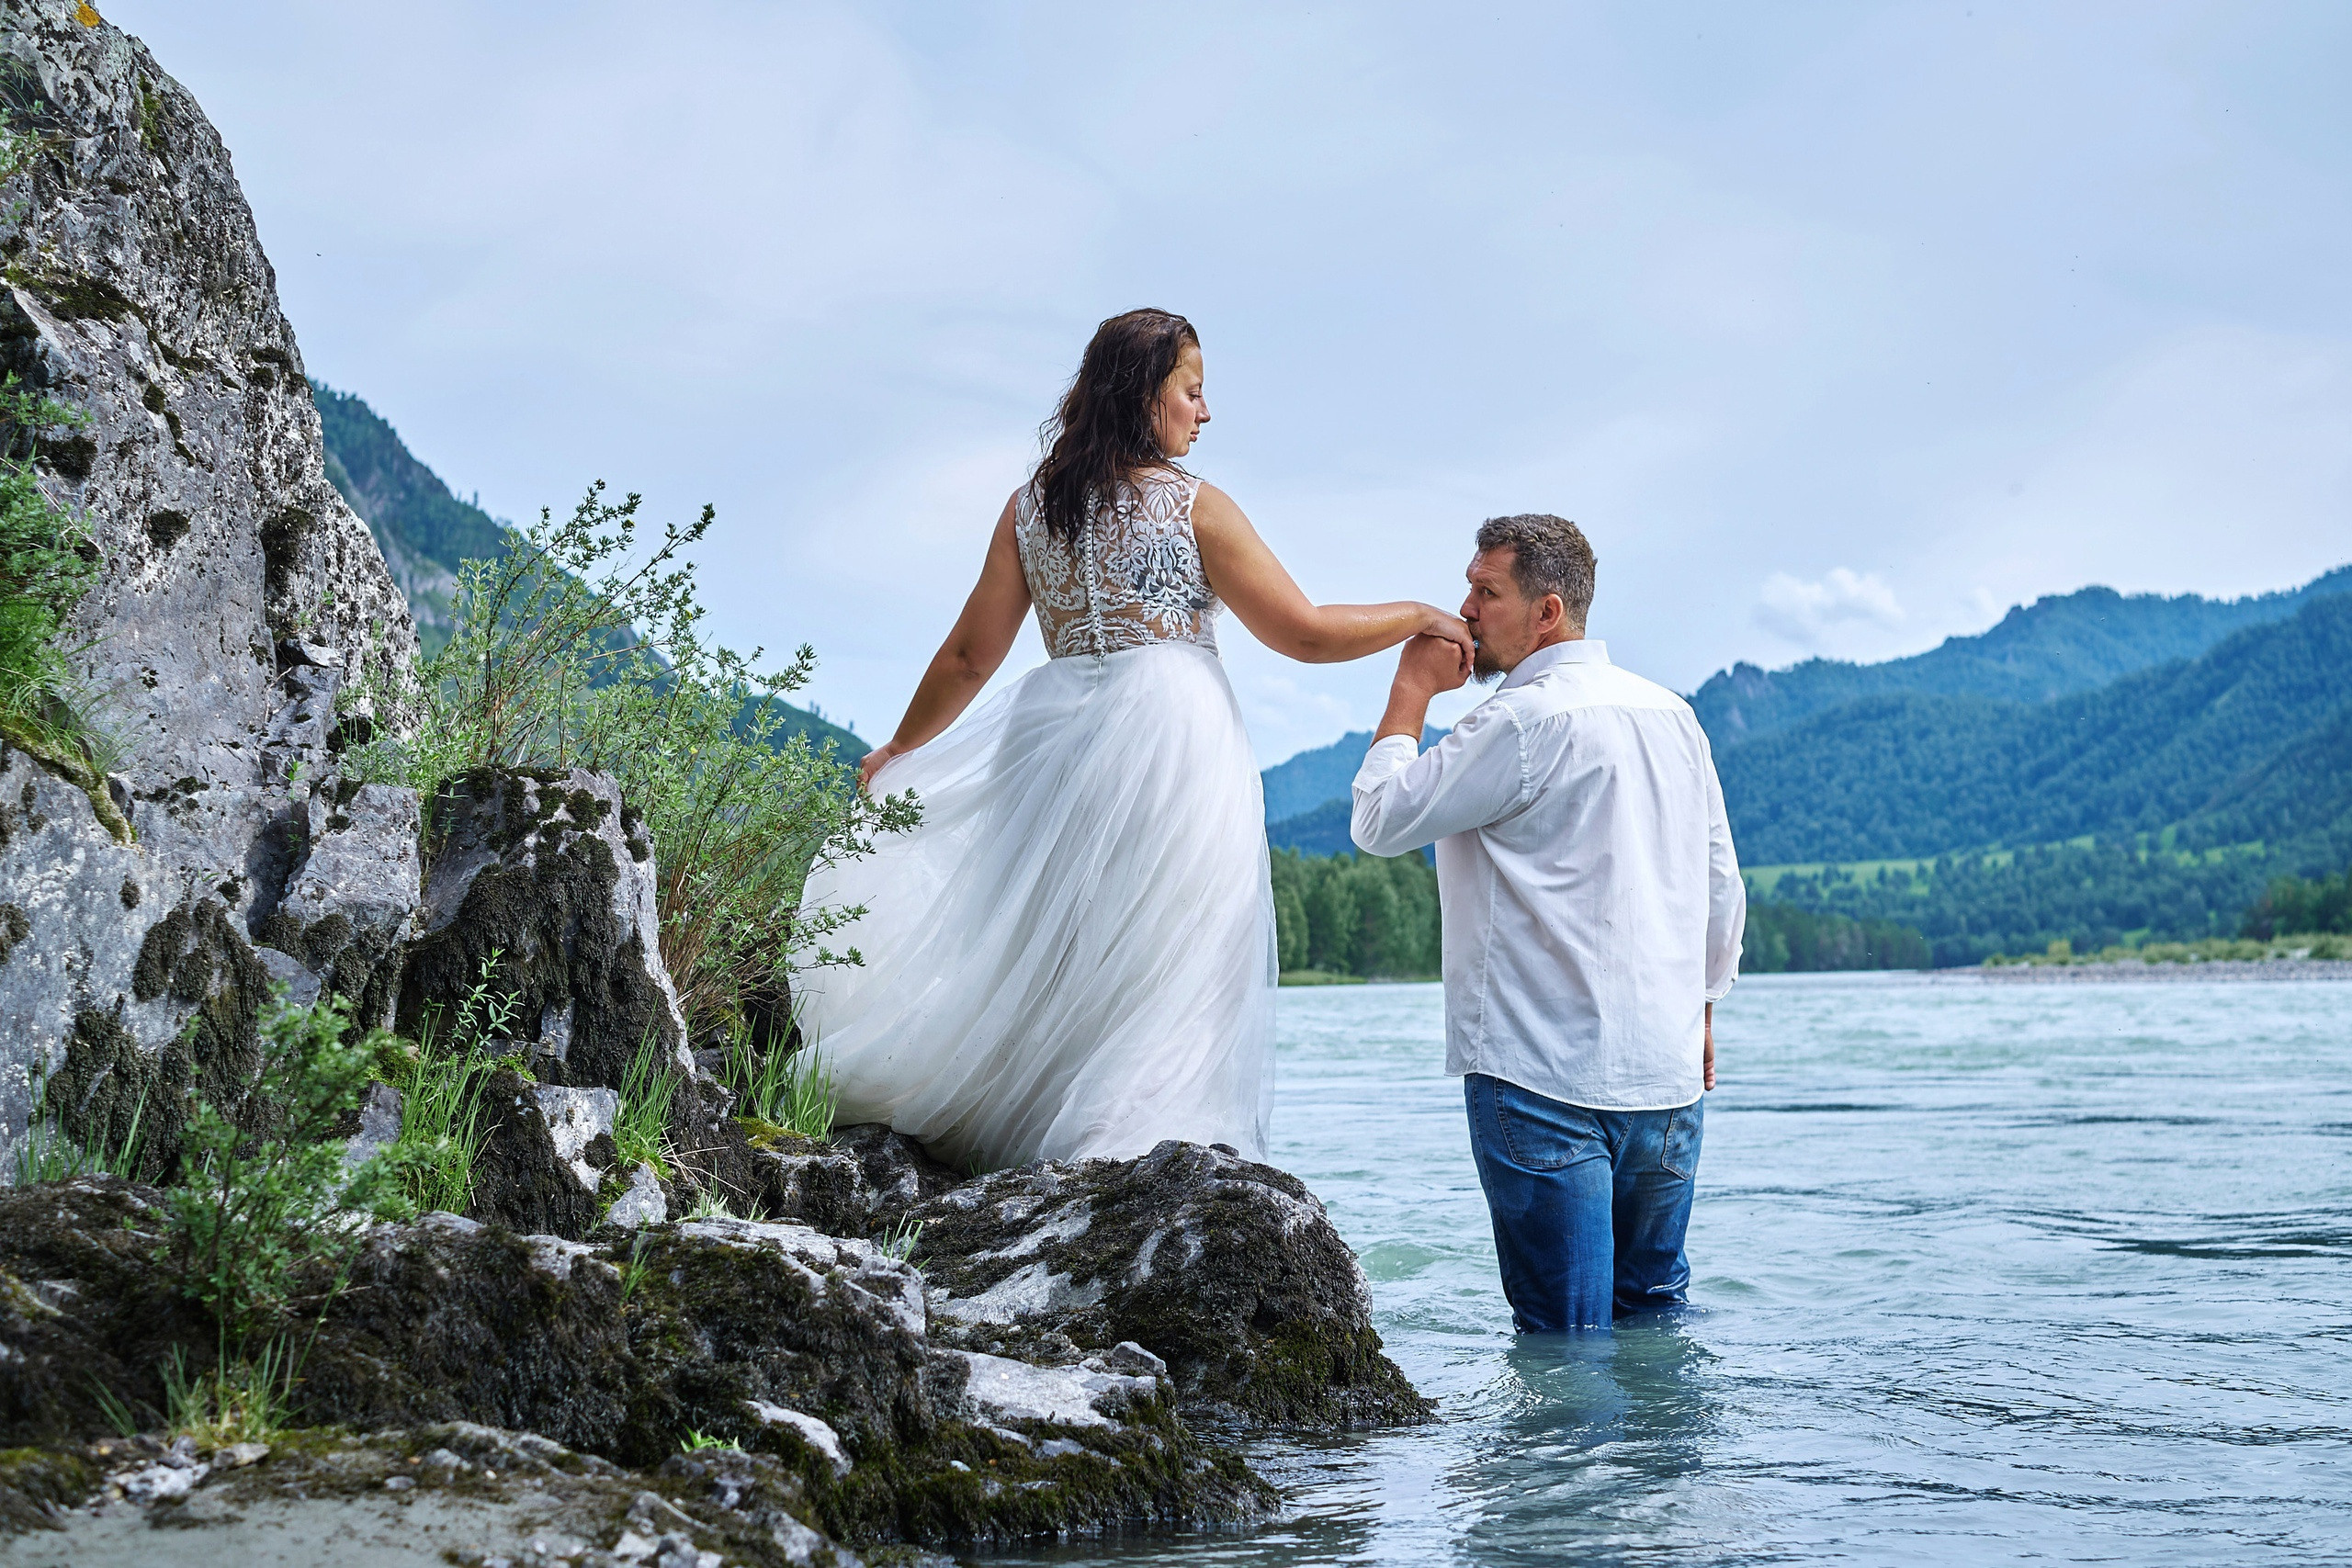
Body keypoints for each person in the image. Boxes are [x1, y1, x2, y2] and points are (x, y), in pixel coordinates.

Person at [797, 309, 1471, 1173]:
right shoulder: (1196, 506)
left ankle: (1041, 1139)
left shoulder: (1031, 507)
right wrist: (1419, 614)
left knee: (1058, 941)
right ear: (1146, 393)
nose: (1205, 411)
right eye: (1193, 390)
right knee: (1178, 949)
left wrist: (900, 748)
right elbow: (1302, 633)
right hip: (1169, 735)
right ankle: (1139, 1148)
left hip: (1051, 738)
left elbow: (969, 656)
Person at [1349, 514, 1745, 1331]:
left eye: (1485, 591)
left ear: (1546, 611)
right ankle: (1663, 1470)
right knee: (1654, 1328)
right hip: (1666, 1080)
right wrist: (1704, 1008)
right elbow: (1720, 885)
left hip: (1540, 1078)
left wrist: (1410, 691)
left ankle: (1561, 1469)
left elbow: (1379, 820)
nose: (1463, 609)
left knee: (1564, 1346)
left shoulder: (1516, 722)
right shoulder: (1675, 717)